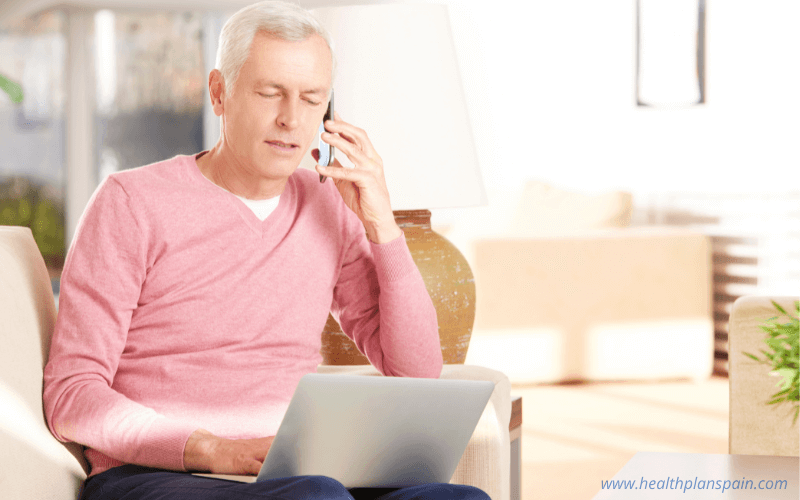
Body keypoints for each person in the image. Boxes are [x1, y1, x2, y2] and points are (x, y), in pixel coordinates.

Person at [42, 2, 490, 500]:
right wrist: (210, 448)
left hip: (297, 472)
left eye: (311, 98)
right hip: (157, 473)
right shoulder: (130, 202)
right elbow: (72, 395)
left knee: (457, 498)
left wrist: (382, 224)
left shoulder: (327, 205)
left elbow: (416, 373)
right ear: (220, 92)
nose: (290, 119)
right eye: (270, 93)